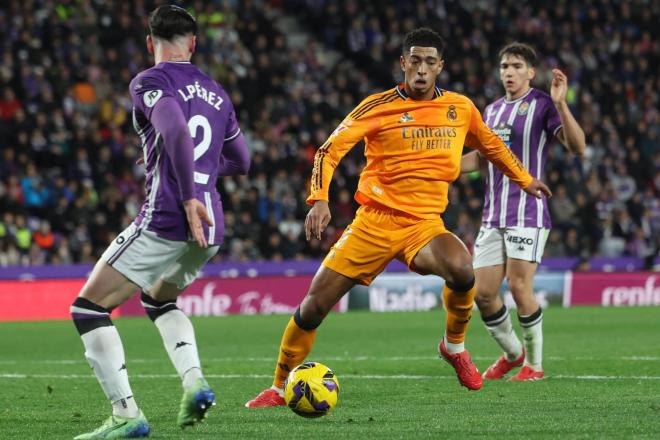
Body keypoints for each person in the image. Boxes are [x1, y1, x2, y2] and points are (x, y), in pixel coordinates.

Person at [245, 28, 551, 408]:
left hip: (423, 225)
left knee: (462, 269)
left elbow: (492, 146)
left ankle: (454, 347)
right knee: (313, 307)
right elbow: (329, 150)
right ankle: (278, 387)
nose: (421, 69)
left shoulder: (460, 108)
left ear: (441, 66)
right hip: (373, 222)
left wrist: (525, 180)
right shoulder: (377, 106)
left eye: (430, 62)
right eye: (415, 60)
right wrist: (319, 199)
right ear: (403, 62)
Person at [70, 5, 250, 438]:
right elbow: (242, 161)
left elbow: (175, 132)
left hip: (170, 216)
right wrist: (195, 171)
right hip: (212, 227)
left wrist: (187, 194)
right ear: (193, 43)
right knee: (159, 300)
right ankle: (194, 382)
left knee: (88, 308)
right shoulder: (217, 92)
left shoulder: (150, 80)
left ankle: (126, 414)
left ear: (151, 43)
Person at [460, 42, 585, 381]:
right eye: (504, 67)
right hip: (492, 215)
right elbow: (480, 159)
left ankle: (535, 365)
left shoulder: (543, 105)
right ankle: (513, 354)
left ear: (531, 72)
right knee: (482, 294)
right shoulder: (491, 111)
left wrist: (561, 103)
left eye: (516, 66)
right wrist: (440, 167)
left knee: (518, 287)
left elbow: (577, 147)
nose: (509, 72)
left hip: (528, 213)